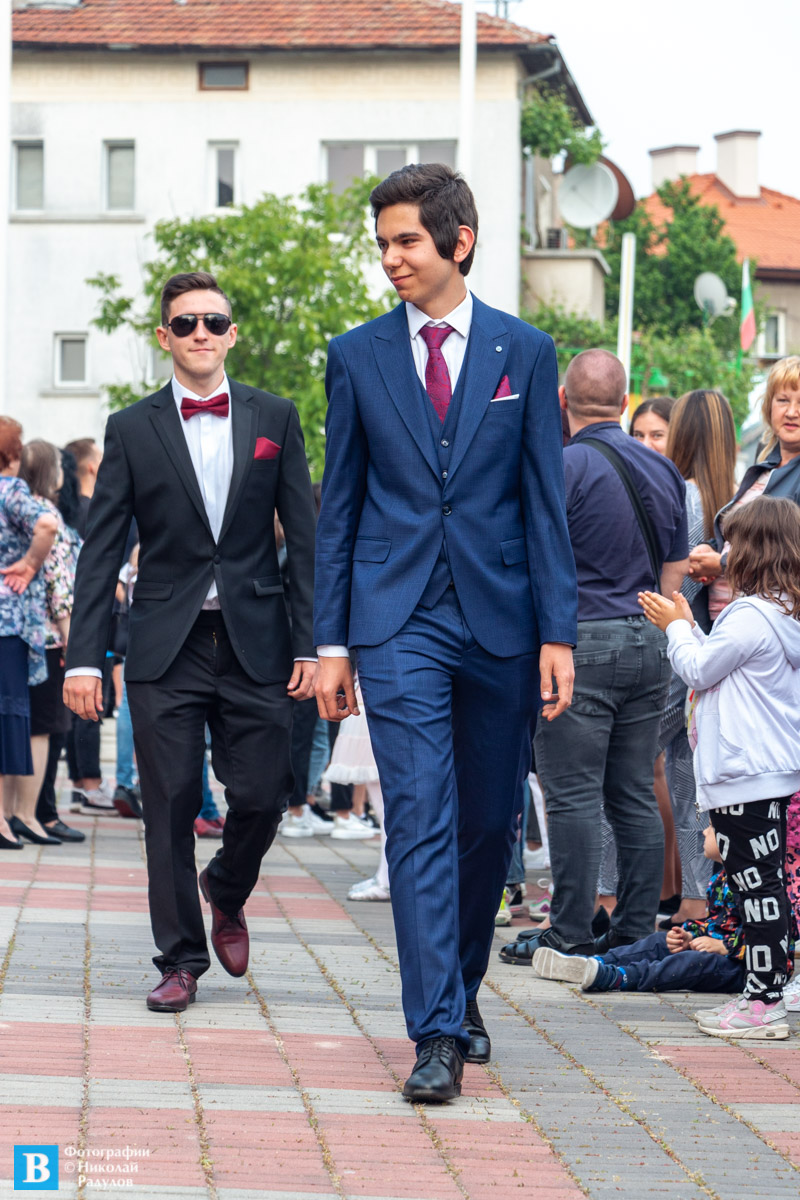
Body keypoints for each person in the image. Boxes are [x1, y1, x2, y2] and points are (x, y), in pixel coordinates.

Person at [314, 163, 577, 1102]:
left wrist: (558, 633)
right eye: (383, 243)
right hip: (397, 621)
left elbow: (543, 499)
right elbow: (339, 507)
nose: (391, 258)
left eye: (407, 241)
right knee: (419, 818)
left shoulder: (525, 351)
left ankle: (461, 993)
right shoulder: (356, 355)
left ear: (458, 243)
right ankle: (433, 1031)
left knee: (488, 826)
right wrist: (332, 643)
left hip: (502, 620)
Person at [64, 271, 317, 1013]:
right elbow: (100, 549)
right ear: (164, 336)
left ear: (232, 334)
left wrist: (313, 646)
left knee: (266, 794)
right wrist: (84, 658)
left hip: (256, 641)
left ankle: (226, 887)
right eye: (184, 323)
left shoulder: (276, 416)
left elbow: (305, 543)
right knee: (169, 805)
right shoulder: (130, 428)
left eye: (212, 321)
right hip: (164, 645)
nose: (199, 332)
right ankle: (180, 958)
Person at [500, 349, 688, 967]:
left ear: (562, 401)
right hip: (649, 639)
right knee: (633, 790)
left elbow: (530, 559)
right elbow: (674, 571)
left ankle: (571, 932)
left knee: (573, 795)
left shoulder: (560, 467)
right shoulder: (663, 469)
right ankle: (633, 931)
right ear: (625, 402)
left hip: (577, 643)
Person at [640, 495, 800, 1039]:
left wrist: (676, 626)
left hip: (743, 773)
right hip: (762, 771)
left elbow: (698, 669)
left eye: (731, 543)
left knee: (756, 889)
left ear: (754, 550)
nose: (723, 553)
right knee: (764, 885)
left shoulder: (751, 615)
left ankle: (763, 1003)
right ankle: (765, 994)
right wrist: (690, 628)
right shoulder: (781, 611)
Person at [657, 390, 738, 925]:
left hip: (677, 651)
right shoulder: (733, 502)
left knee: (627, 769)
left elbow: (673, 582)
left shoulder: (679, 497)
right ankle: (695, 900)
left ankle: (610, 897)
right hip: (715, 652)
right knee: (691, 784)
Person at [532, 824, 761, 995]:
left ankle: (617, 977)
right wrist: (690, 935)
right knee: (658, 942)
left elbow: (768, 932)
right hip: (720, 950)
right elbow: (719, 923)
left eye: (711, 827)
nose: (704, 832)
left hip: (742, 968)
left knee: (691, 962)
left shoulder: (756, 884)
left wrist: (725, 947)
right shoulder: (721, 879)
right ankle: (596, 962)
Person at [6, 440, 79, 846]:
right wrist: (72, 641)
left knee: (16, 723)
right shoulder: (45, 516)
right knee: (42, 728)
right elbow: (59, 586)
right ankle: (26, 815)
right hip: (47, 635)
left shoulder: (11, 508)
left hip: (16, 632)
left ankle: (12, 814)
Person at [689, 356, 800, 609]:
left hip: (769, 621)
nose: (791, 412)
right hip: (726, 619)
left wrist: (722, 563)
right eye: (783, 400)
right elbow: (740, 537)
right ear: (768, 405)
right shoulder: (763, 468)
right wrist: (709, 549)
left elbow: (790, 555)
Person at [0, 418, 58, 849]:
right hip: (7, 620)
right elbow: (47, 526)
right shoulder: (12, 491)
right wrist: (31, 563)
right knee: (5, 715)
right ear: (14, 453)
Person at [62, 435, 116, 816]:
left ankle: (80, 783)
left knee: (76, 706)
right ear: (94, 467)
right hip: (96, 619)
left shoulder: (69, 511)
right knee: (92, 703)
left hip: (74, 618)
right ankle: (91, 784)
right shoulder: (94, 510)